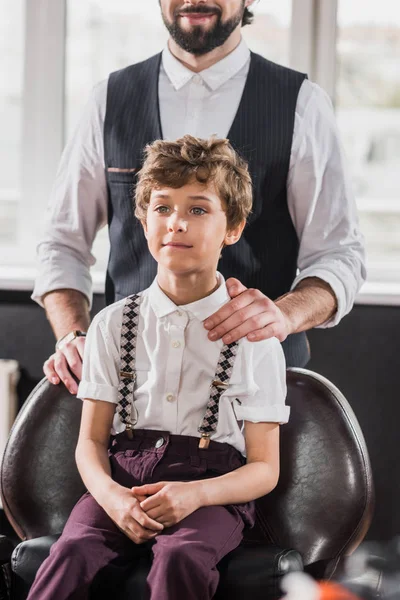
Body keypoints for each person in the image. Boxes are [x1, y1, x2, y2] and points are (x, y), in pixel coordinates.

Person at [33, 0, 366, 395]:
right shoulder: (108, 99)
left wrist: (283, 314)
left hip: (261, 386)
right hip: (130, 388)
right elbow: (61, 243)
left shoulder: (303, 104)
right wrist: (73, 334)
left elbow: (339, 255)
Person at [27, 135, 289, 600]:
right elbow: (91, 441)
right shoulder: (110, 326)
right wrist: (110, 497)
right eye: (163, 208)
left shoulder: (254, 336)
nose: (176, 224)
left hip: (212, 490)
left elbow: (265, 468)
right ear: (143, 219)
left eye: (198, 210)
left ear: (234, 227)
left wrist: (197, 495)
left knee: (180, 557)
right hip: (120, 481)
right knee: (71, 554)